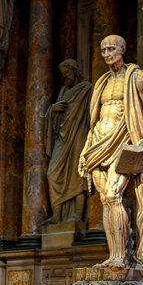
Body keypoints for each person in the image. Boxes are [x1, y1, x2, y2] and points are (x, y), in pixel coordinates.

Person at [78, 35, 143, 279]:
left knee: (114, 195)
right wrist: (85, 153)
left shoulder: (137, 77)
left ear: (123, 49)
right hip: (98, 145)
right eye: (103, 49)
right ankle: (114, 254)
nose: (107, 53)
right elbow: (94, 122)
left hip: (124, 142)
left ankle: (121, 257)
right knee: (105, 201)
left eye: (112, 49)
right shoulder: (102, 83)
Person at [44, 59, 92, 224]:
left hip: (79, 134)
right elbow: (57, 115)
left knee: (78, 174)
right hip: (63, 137)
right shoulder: (64, 90)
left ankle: (77, 216)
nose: (65, 77)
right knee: (52, 173)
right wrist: (53, 110)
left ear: (75, 70)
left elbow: (94, 113)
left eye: (67, 72)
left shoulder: (87, 88)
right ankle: (57, 215)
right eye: (63, 74)